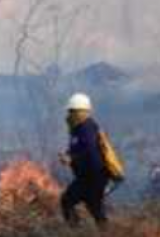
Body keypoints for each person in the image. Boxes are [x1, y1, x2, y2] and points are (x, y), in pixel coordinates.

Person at [59, 93, 110, 228]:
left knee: (67, 201)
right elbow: (78, 148)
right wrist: (68, 154)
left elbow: (90, 151)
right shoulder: (78, 129)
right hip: (87, 177)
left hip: (93, 177)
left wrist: (71, 159)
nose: (69, 115)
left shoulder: (87, 127)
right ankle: (103, 232)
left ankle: (76, 232)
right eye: (69, 111)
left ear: (81, 112)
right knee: (95, 210)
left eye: (72, 111)